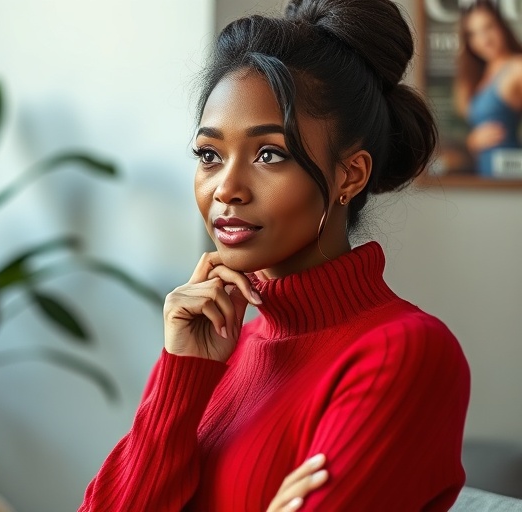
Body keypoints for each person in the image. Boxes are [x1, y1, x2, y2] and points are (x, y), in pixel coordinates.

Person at [79, 0, 471, 510]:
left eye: (270, 154)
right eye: (209, 156)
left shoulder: (404, 356)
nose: (227, 189)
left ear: (349, 175)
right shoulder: (208, 348)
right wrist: (182, 375)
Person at [454, 0, 522, 176]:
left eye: (488, 27)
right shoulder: (479, 74)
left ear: (502, 27)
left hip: (509, 173)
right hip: (485, 174)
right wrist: (471, 142)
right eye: (473, 33)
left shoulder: (516, 68)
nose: (483, 39)